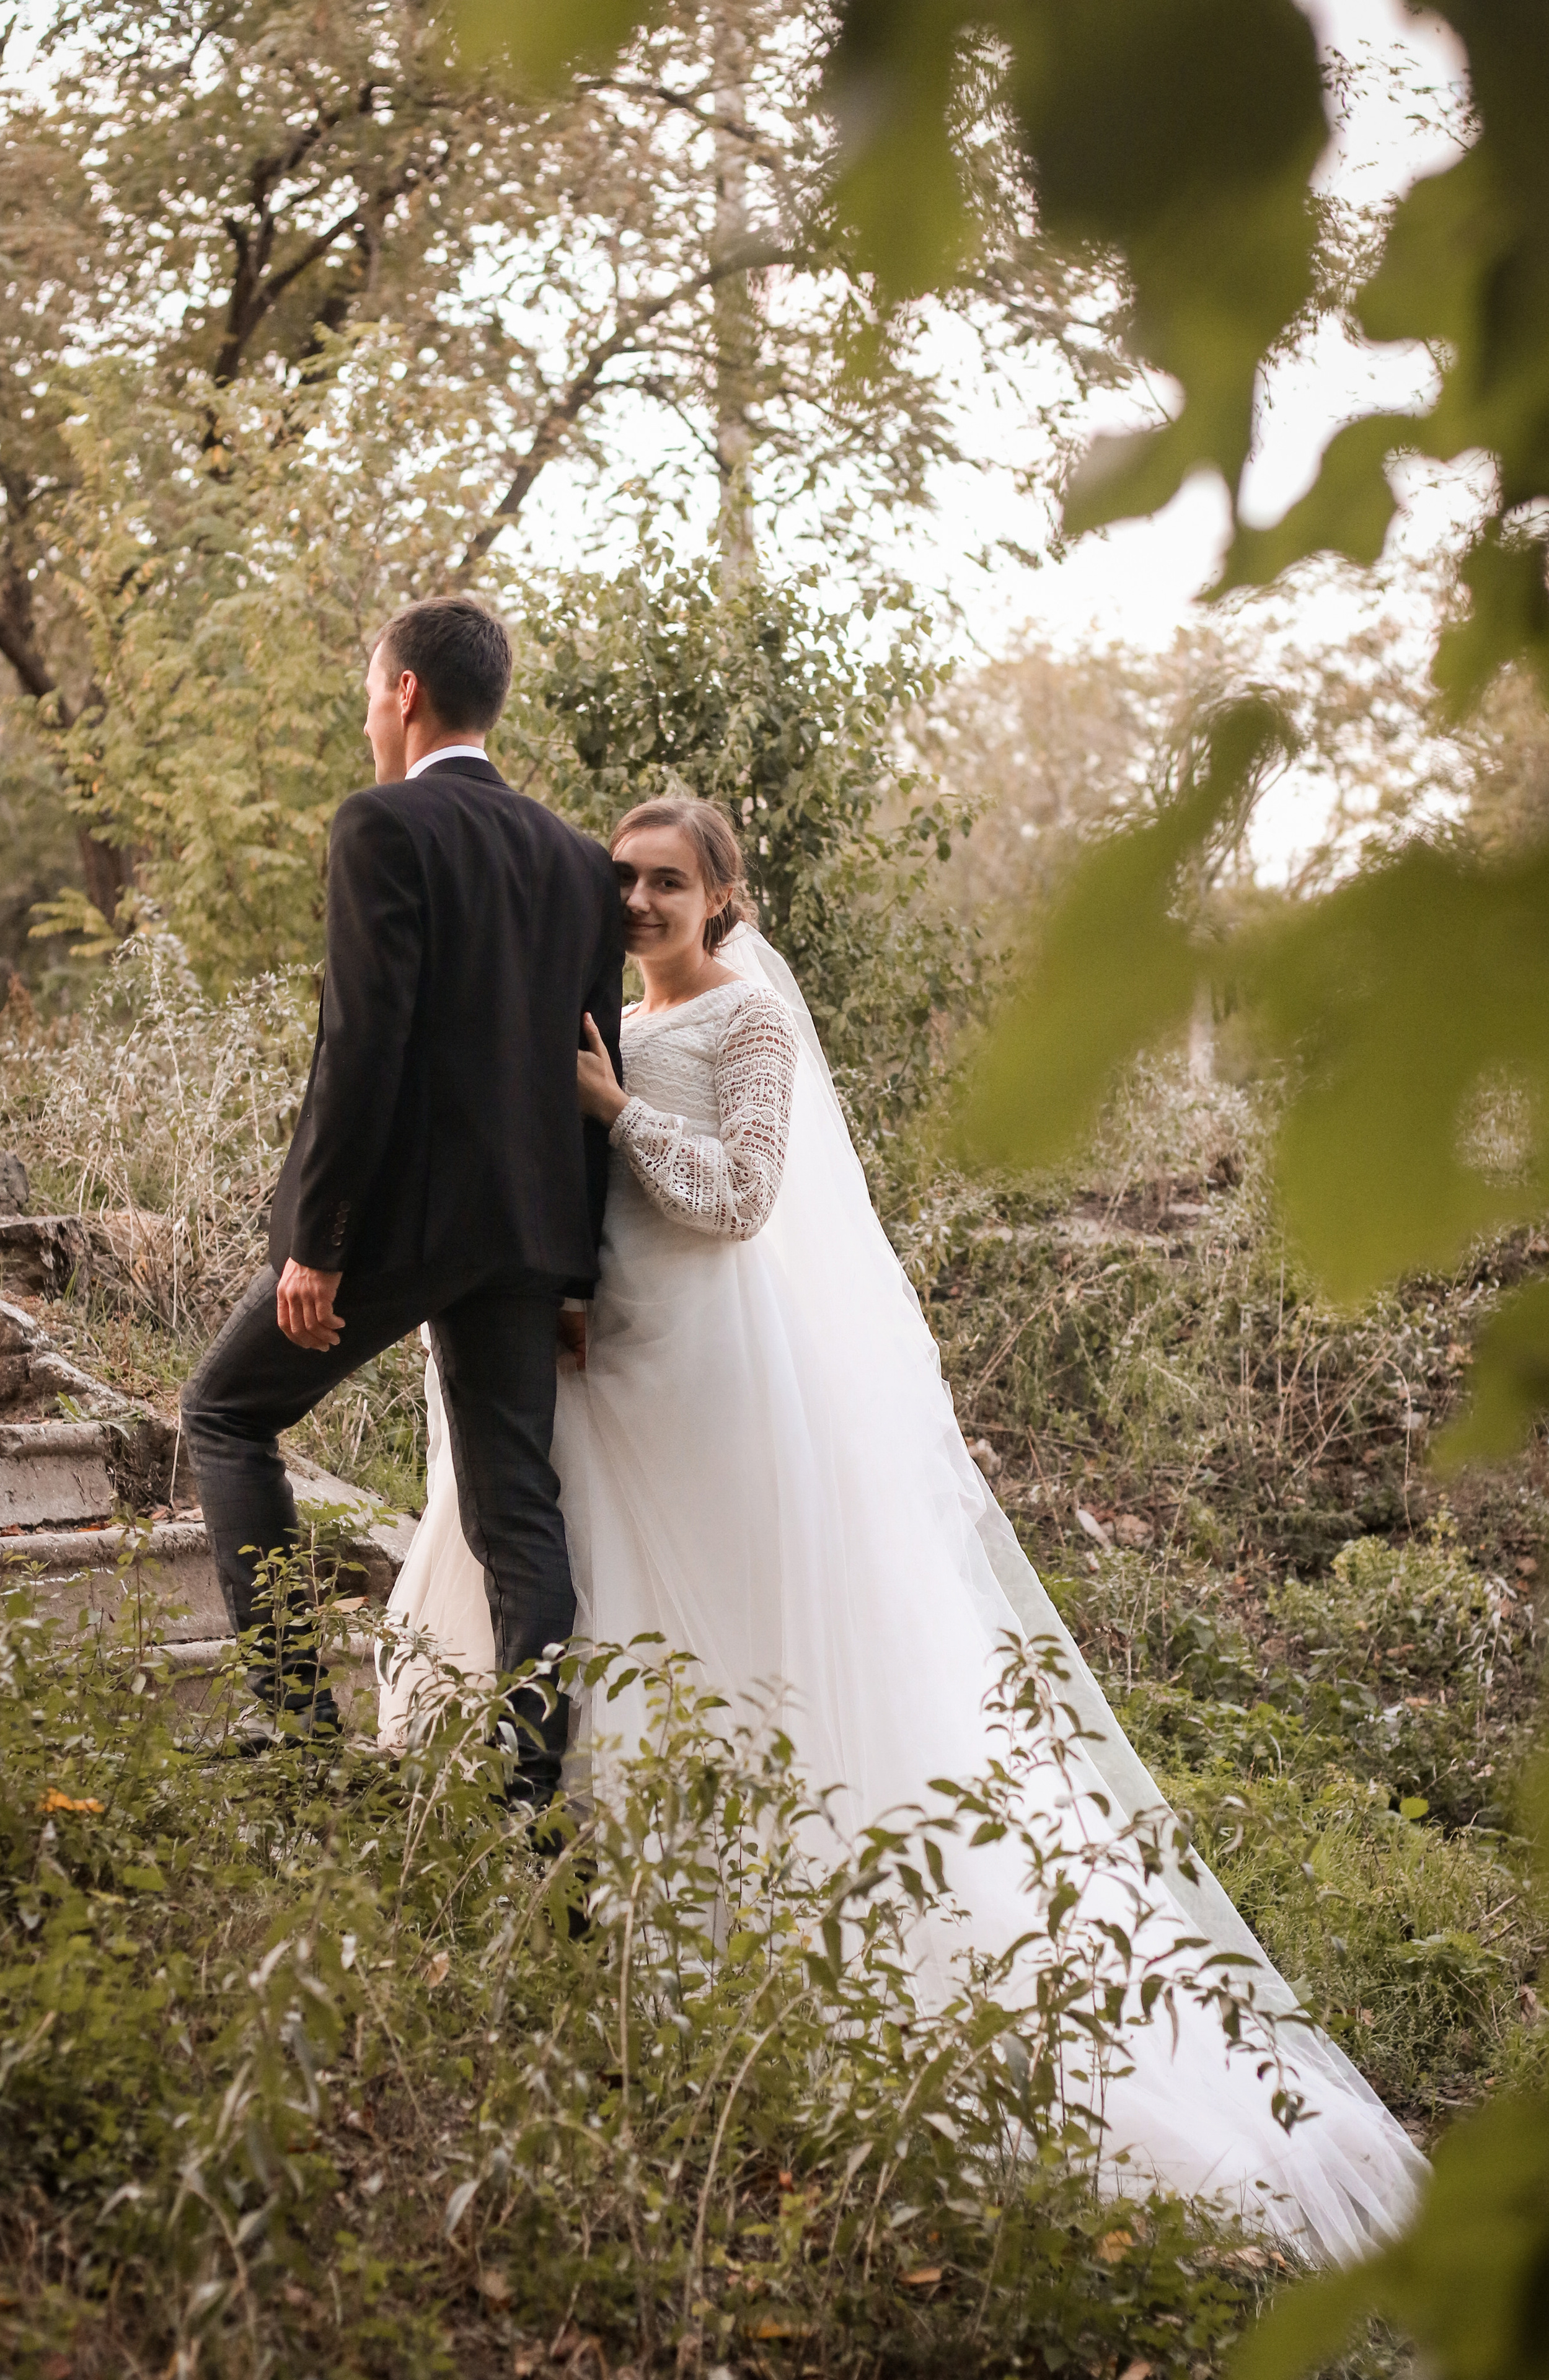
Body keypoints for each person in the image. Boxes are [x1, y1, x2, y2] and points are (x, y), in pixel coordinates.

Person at [376, 793, 1428, 2260]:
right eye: (622, 879)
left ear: (722, 897)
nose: (637, 902)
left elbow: (740, 1199)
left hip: (711, 1370)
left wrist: (613, 1109)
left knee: (732, 1643)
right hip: (604, 1358)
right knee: (609, 1612)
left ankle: (764, 1949)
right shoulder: (609, 1007)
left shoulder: (744, 1021)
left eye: (667, 882)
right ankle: (605, 1936)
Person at [182, 594, 625, 1798]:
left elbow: (362, 1047)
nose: (368, 721)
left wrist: (319, 1242)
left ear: (407, 693)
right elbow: (596, 1072)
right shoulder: (578, 862)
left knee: (223, 1414)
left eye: (369, 697)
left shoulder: (381, 823)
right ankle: (531, 1802)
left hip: (400, 1228)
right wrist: (574, 1275)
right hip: (528, 1238)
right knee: (516, 1512)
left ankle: (296, 1724)